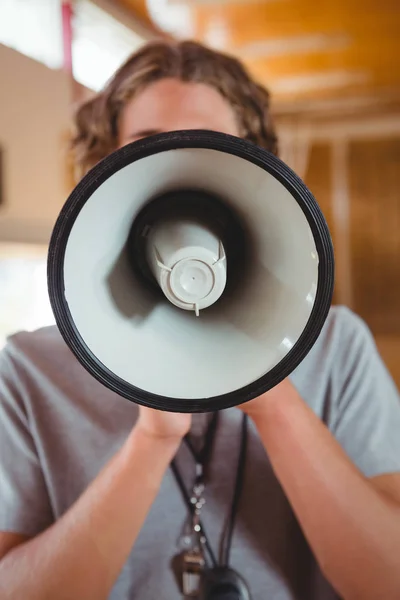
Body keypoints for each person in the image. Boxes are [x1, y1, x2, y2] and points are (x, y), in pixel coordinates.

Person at [0, 40, 400, 600]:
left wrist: (269, 389)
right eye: (149, 148)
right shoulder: (28, 372)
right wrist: (154, 437)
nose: (180, 157)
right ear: (101, 168)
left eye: (214, 146)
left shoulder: (338, 349)